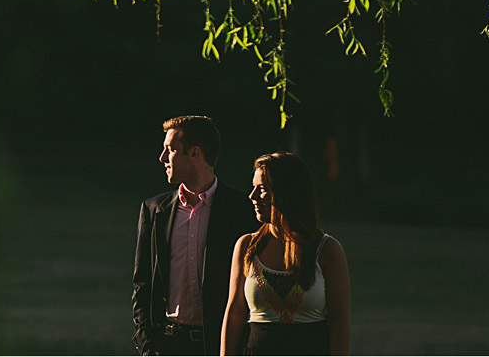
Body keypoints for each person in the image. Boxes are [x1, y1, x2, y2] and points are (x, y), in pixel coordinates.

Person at [133, 116, 258, 355]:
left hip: (220, 345)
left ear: (194, 154)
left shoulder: (241, 210)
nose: (162, 158)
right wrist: (148, 345)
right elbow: (142, 283)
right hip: (168, 345)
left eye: (170, 150)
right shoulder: (154, 210)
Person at [220, 152, 351, 355]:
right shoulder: (247, 246)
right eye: (253, 188)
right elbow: (235, 313)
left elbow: (339, 320)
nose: (252, 196)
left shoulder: (327, 249)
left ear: (287, 193)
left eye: (261, 189)